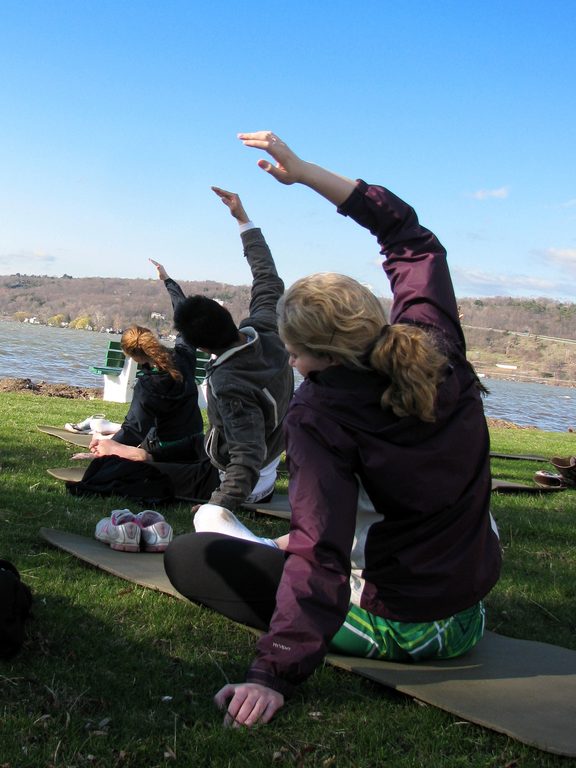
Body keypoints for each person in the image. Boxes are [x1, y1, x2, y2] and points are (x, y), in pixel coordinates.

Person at [164, 132, 502, 727]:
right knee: (303, 542)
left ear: (318, 355)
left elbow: (320, 552)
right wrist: (307, 173)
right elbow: (410, 238)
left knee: (192, 557)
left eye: (294, 355)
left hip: (406, 627)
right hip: (468, 608)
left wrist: (273, 672)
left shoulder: (320, 416)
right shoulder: (434, 343)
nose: (291, 364)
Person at [171, 186, 294, 512]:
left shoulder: (230, 385)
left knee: (130, 475)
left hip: (246, 482)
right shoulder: (267, 330)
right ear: (226, 315)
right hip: (259, 456)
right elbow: (267, 276)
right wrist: (243, 220)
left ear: (200, 348)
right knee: (170, 450)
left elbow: (246, 456)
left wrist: (219, 506)